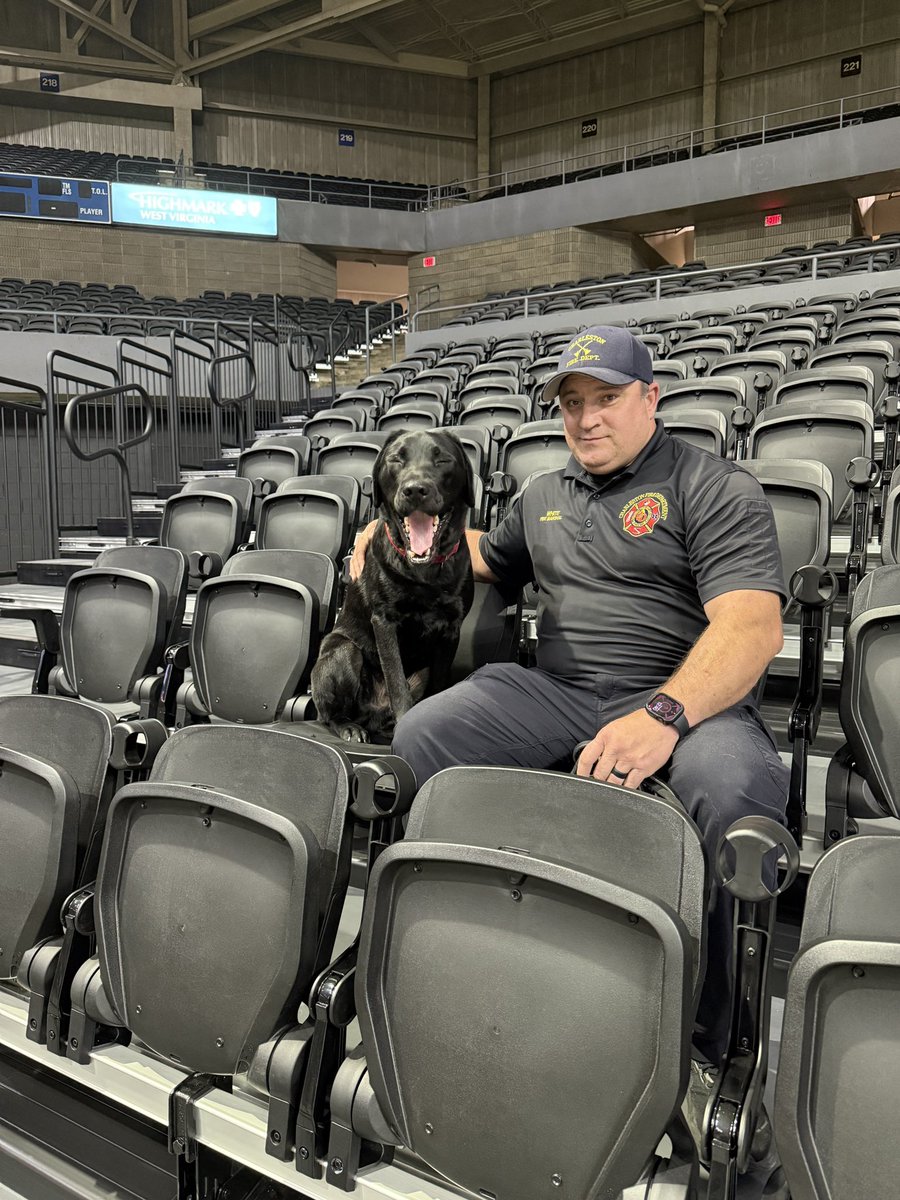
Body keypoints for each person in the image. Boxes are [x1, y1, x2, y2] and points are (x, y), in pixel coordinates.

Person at [350, 324, 789, 1155]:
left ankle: (709, 1050)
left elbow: (752, 628)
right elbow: (481, 556)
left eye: (607, 399)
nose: (587, 420)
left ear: (651, 398)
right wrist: (391, 536)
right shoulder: (543, 494)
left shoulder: (713, 486)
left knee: (734, 796)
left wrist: (664, 716)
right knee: (426, 730)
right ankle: (459, 966)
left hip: (685, 703)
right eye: (572, 404)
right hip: (558, 691)